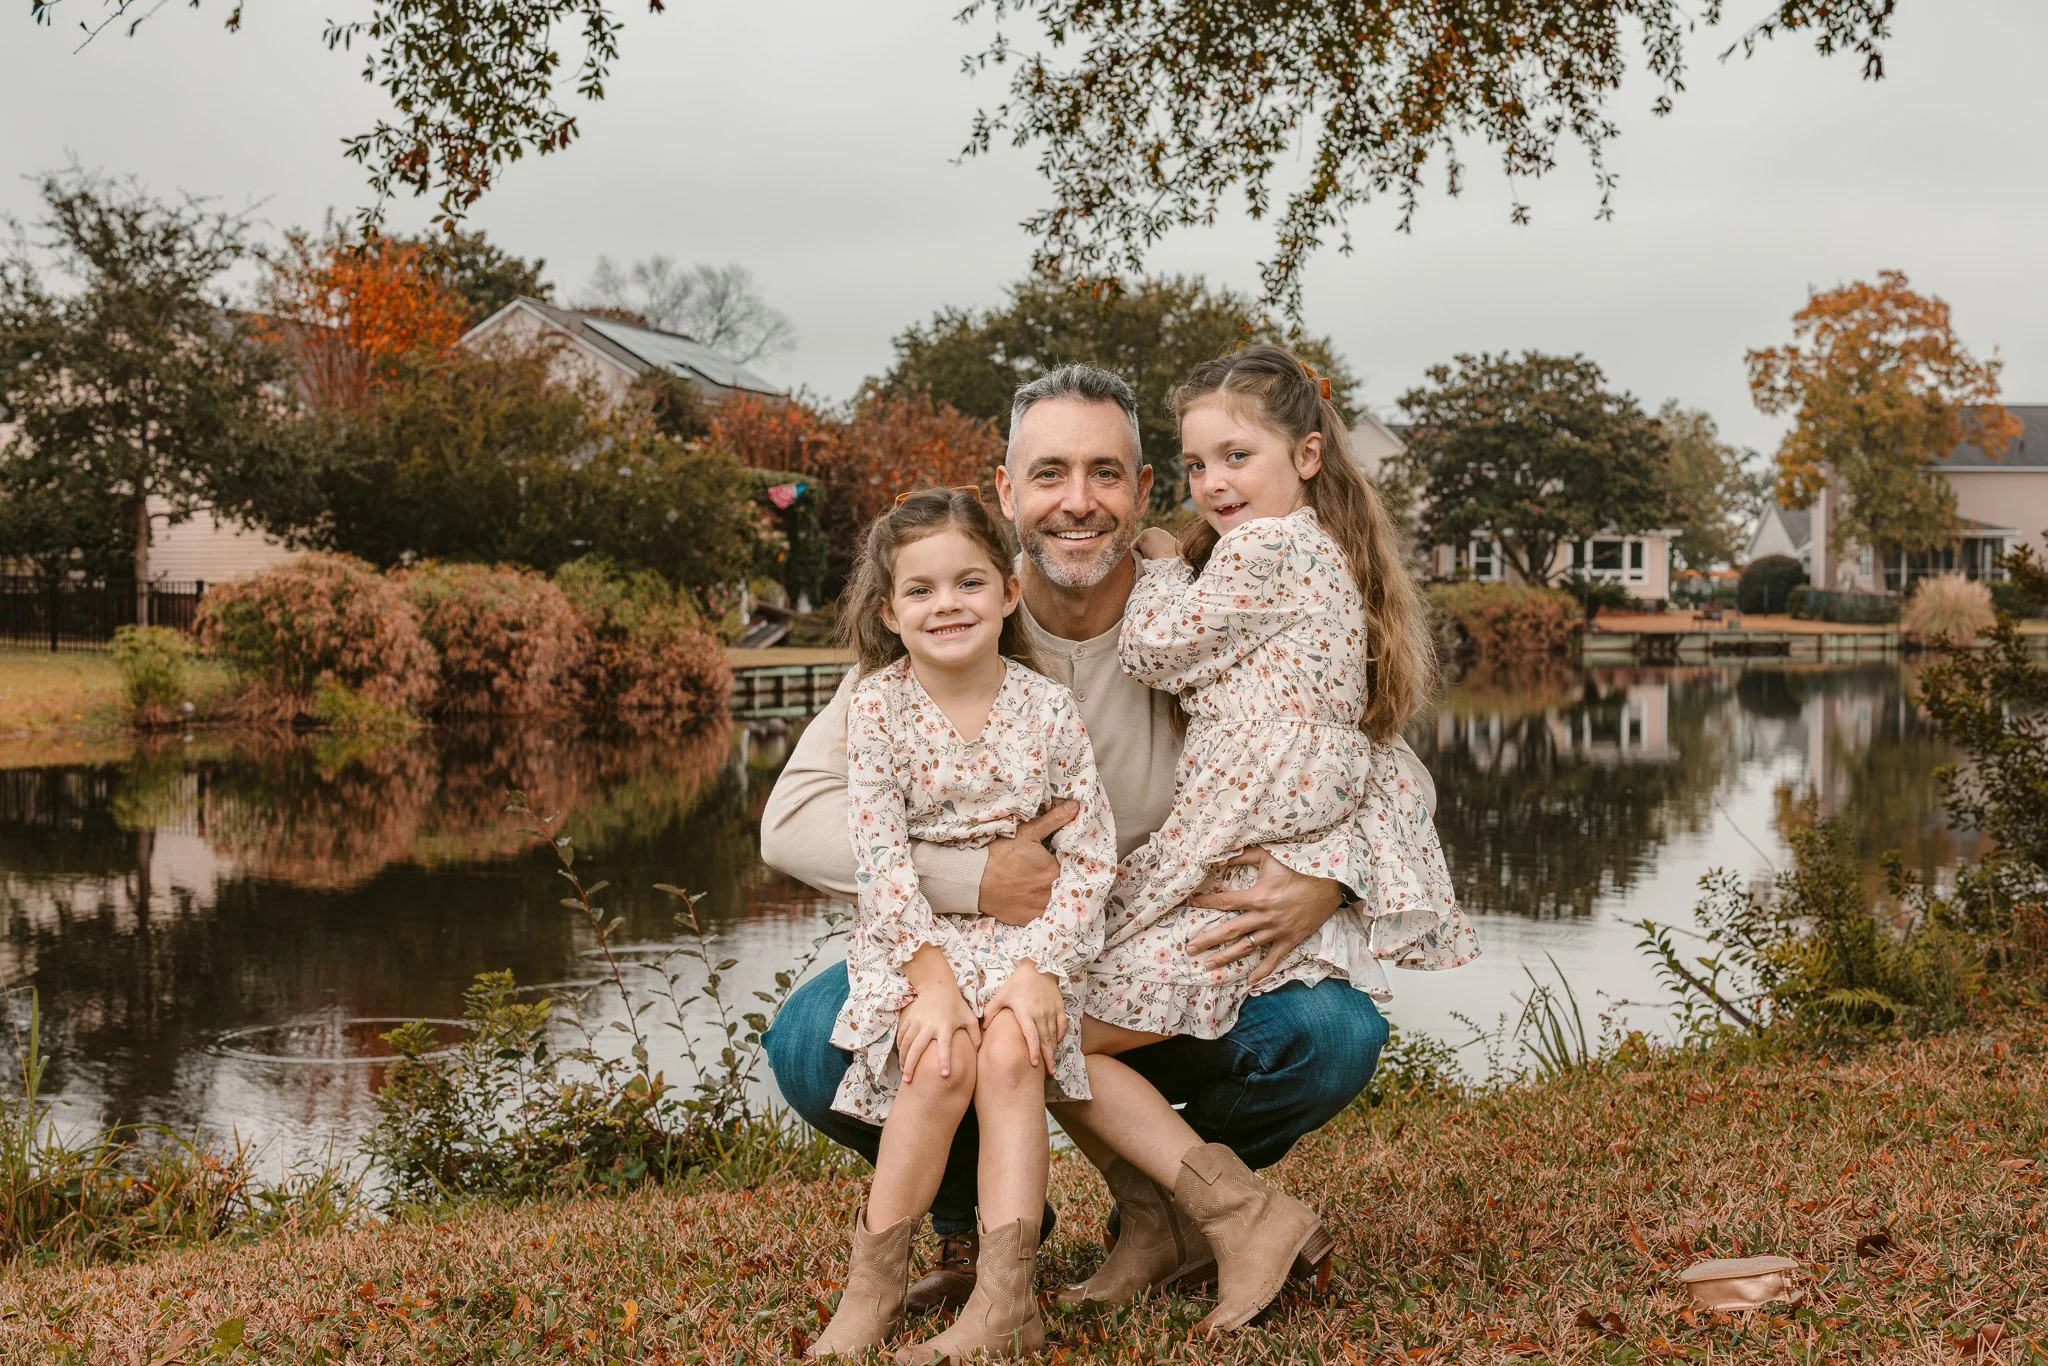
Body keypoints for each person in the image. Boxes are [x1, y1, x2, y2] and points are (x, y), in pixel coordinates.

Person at [763, 364, 1476, 1317]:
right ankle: (981, 1224)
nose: (1078, 501)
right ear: (1008, 493)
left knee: (1331, 1034)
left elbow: (1373, 764)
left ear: (1145, 492)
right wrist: (976, 877)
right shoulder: (950, 625)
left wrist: (1330, 881)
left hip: (1144, 958)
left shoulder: (1215, 612)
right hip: (985, 960)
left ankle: (1168, 1209)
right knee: (814, 1040)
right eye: (1049, 473)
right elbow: (791, 821)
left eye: (1107, 473)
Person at [1045, 344, 1475, 1331]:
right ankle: (1173, 1220)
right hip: (1244, 846)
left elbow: (1151, 649)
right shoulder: (1321, 552)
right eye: (1195, 465)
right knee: (1049, 1027)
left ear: (1308, 454)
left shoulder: (1267, 551)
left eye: (1236, 456)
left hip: (1233, 860)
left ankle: (1226, 1218)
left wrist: (1154, 566)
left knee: (1043, 1027)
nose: (1212, 484)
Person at [804, 489, 1118, 1361]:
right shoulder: (876, 710)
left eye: (970, 582)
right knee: (938, 1064)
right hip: (918, 939)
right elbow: (881, 862)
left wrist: (1041, 970)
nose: (948, 604)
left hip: (1030, 941)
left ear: (1010, 591)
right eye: (922, 591)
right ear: (889, 612)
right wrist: (931, 981)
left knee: (1015, 1053)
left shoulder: (1048, 709)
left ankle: (1006, 1301)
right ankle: (871, 1293)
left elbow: (1091, 858)